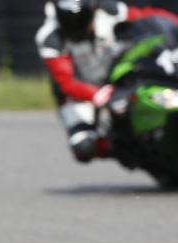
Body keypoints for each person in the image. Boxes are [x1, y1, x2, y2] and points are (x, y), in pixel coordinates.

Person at [37, 0, 178, 163]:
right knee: (84, 148)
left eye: (81, 20)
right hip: (79, 95)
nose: (76, 27)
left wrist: (174, 24)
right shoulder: (49, 38)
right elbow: (66, 82)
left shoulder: (108, 10)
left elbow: (146, 16)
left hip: (117, 75)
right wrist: (96, 94)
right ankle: (120, 149)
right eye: (70, 22)